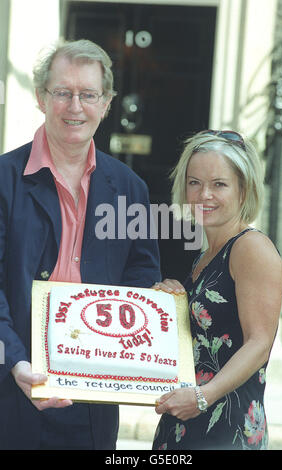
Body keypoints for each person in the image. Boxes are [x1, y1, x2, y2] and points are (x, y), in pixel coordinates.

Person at [0, 39, 161, 450]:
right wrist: (15, 362)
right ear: (40, 98)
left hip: (94, 401)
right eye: (62, 92)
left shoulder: (130, 189)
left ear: (106, 103)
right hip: (11, 387)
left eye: (88, 94)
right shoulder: (3, 180)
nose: (76, 106)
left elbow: (141, 277)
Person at [152, 130, 282, 450]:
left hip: (225, 429)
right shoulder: (206, 254)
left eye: (219, 184)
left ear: (244, 189)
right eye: (194, 182)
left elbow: (259, 344)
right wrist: (176, 302)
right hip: (185, 421)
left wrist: (201, 397)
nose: (203, 194)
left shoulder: (251, 248)